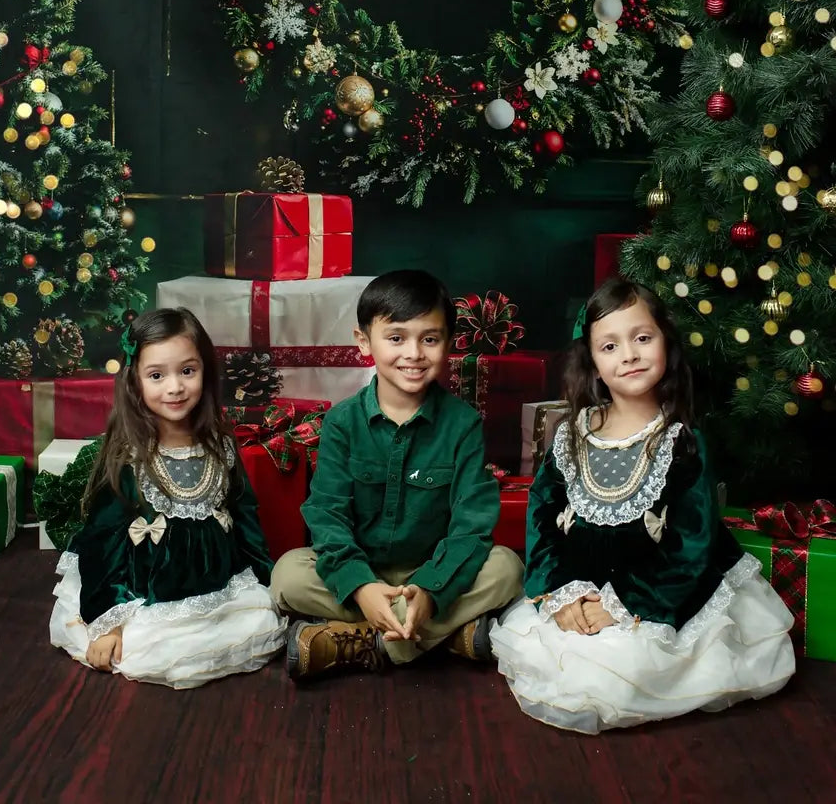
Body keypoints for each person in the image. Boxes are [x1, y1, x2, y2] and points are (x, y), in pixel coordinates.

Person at [492, 278, 795, 733]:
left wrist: (621, 606)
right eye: (610, 346)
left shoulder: (682, 442)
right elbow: (542, 519)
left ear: (666, 344)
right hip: (582, 583)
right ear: (593, 364)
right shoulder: (572, 436)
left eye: (642, 338)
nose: (629, 354)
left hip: (658, 593)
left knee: (624, 672)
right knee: (551, 652)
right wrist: (561, 594)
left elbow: (690, 546)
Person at [270, 269, 524, 679]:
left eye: (430, 339)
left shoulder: (463, 424)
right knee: (287, 576)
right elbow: (327, 514)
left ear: (448, 343)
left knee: (507, 568)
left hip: (433, 571)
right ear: (363, 342)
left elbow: (472, 526)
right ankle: (444, 635)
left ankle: (364, 641)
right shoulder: (341, 422)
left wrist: (431, 589)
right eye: (396, 338)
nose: (414, 353)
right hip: (363, 569)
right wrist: (361, 587)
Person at [49, 307, 286, 688]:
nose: (174, 387)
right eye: (157, 375)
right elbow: (104, 540)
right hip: (146, 592)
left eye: (187, 371)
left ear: (205, 371)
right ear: (135, 381)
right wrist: (109, 621)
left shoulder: (220, 444)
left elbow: (245, 515)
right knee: (142, 648)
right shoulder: (129, 456)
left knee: (259, 620)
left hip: (215, 586)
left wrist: (265, 580)